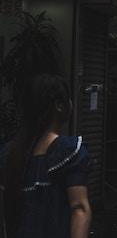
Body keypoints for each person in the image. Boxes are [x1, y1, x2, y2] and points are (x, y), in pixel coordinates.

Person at [0, 74, 92, 238]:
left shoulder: (9, 153)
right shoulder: (68, 151)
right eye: (69, 99)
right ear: (59, 106)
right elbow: (79, 208)